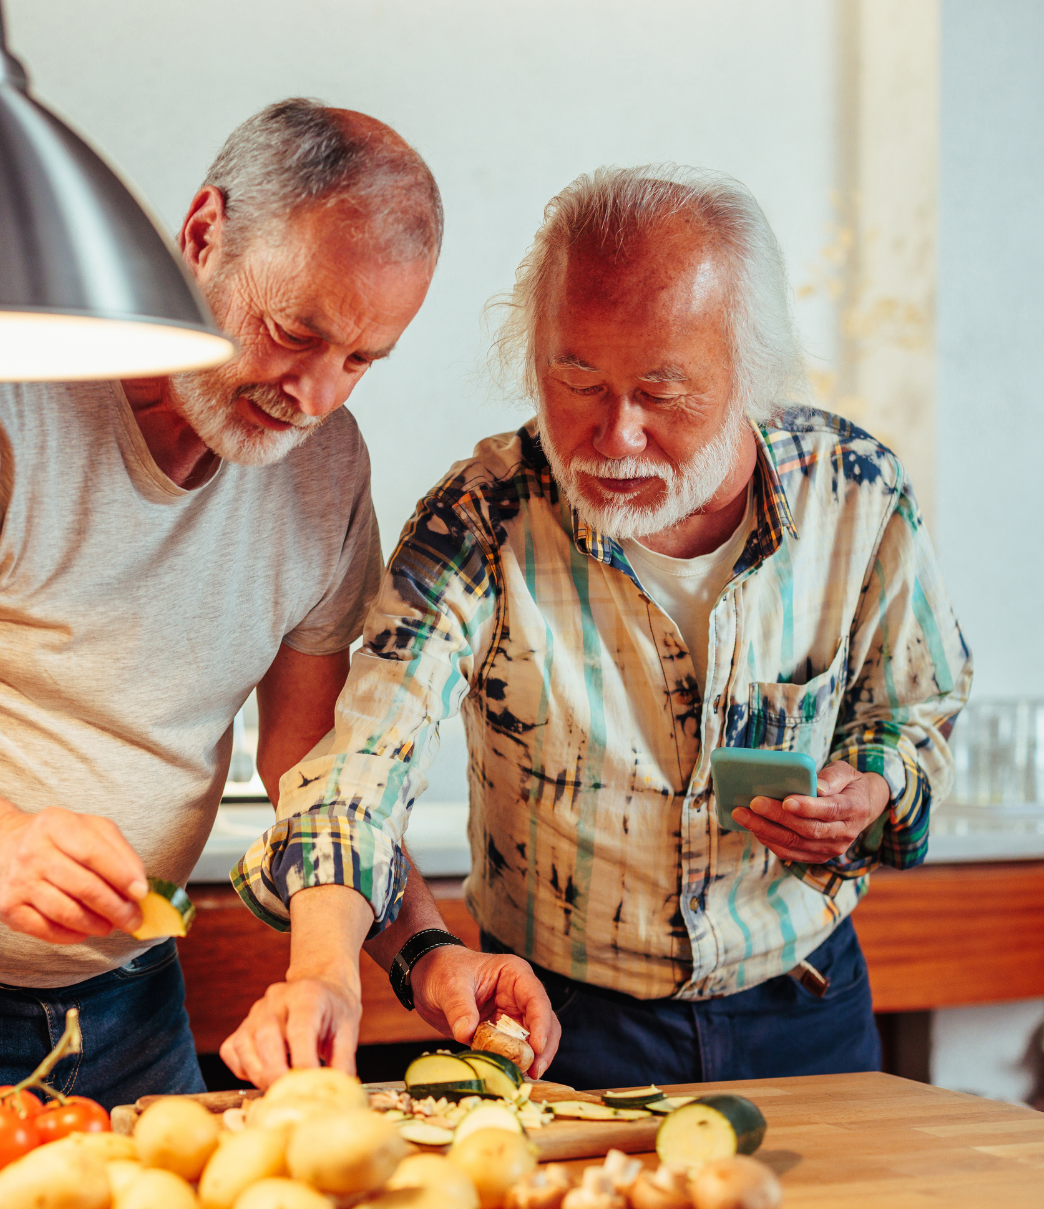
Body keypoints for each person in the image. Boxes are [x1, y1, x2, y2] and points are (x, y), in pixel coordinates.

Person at [0, 99, 556, 1137]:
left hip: (126, 994)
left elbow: (312, 766)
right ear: (203, 232)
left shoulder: (323, 465)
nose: (314, 396)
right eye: (294, 332)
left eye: (361, 359)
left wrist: (421, 949)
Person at [231, 164, 972, 1089]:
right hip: (558, 1018)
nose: (615, 437)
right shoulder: (483, 520)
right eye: (576, 380)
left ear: (752, 375)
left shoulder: (856, 493)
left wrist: (874, 784)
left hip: (805, 1001)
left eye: (662, 392)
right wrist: (323, 968)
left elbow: (919, 707)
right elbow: (360, 766)